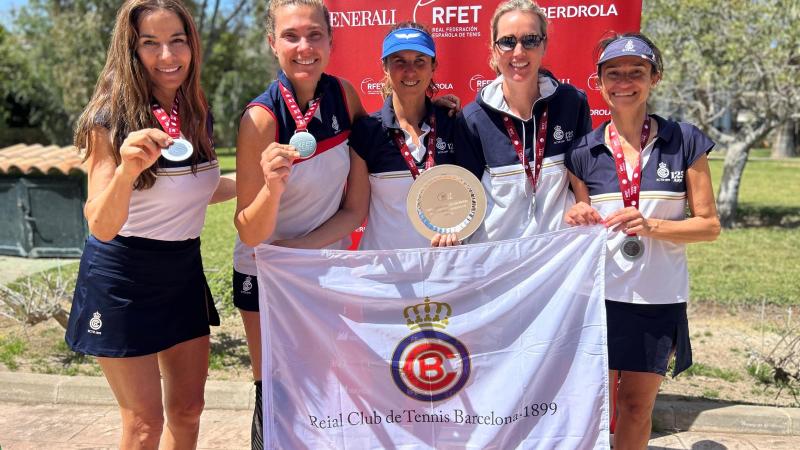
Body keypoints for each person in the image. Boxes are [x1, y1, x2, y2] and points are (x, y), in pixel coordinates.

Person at [65, 1, 234, 448]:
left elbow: (193, 189)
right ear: (131, 49)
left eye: (177, 41)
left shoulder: (195, 109)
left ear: (192, 45)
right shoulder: (109, 118)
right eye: (151, 43)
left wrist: (264, 182)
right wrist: (126, 171)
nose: (168, 56)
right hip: (123, 274)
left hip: (182, 270)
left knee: (189, 411)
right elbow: (101, 224)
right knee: (143, 425)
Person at [564, 33, 721, 449]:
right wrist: (577, 217)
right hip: (598, 298)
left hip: (658, 297)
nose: (624, 82)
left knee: (636, 408)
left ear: (655, 78)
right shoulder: (583, 152)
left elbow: (709, 225)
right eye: (613, 73)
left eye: (636, 72)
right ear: (600, 83)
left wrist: (651, 226)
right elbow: (581, 224)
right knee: (594, 405)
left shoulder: (685, 140)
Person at [230, 1, 367, 447]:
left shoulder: (344, 96)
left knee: (328, 387)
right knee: (276, 391)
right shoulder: (260, 119)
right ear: (273, 43)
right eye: (291, 36)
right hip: (265, 273)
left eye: (314, 35)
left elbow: (354, 210)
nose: (304, 47)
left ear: (330, 41)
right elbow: (250, 231)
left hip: (318, 266)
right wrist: (272, 189)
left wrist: (437, 111)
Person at [298, 22, 460, 250]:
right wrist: (295, 247)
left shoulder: (453, 124)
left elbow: (473, 198)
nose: (410, 71)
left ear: (433, 66)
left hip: (443, 265)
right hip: (384, 267)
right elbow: (354, 213)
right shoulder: (368, 130)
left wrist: (459, 228)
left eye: (420, 61)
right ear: (385, 66)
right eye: (399, 61)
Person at [455, 0, 592, 242]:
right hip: (497, 258)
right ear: (494, 48)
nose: (518, 52)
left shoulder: (572, 103)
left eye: (530, 40)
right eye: (507, 41)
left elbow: (584, 176)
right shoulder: (472, 119)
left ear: (544, 44)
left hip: (557, 256)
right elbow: (463, 201)